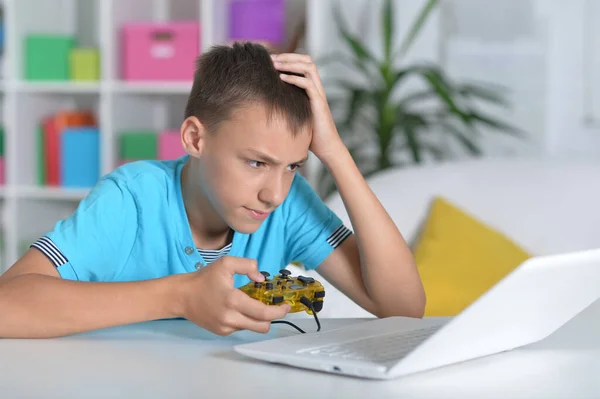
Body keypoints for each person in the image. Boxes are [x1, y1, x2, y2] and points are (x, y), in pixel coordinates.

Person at [0, 42, 425, 339]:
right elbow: (7, 305)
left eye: (293, 166)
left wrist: (335, 152)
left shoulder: (290, 205)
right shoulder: (131, 199)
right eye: (256, 163)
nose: (273, 194)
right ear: (195, 139)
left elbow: (403, 309)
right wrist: (180, 296)